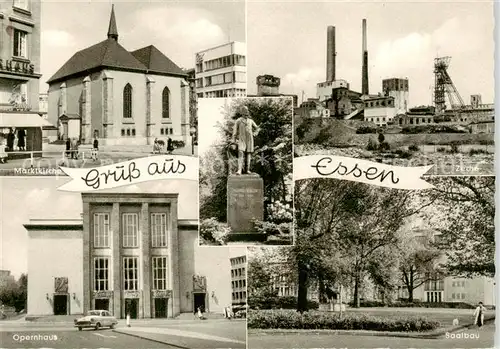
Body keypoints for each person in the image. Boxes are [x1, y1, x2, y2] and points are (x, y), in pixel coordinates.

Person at [231, 105, 260, 175]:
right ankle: (239, 170)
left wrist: (255, 133)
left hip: (250, 139)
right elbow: (234, 132)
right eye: (245, 111)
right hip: (242, 139)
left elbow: (257, 128)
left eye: (247, 111)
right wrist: (233, 142)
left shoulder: (250, 121)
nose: (247, 112)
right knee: (241, 152)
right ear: (242, 112)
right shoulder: (238, 120)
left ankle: (247, 170)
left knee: (249, 154)